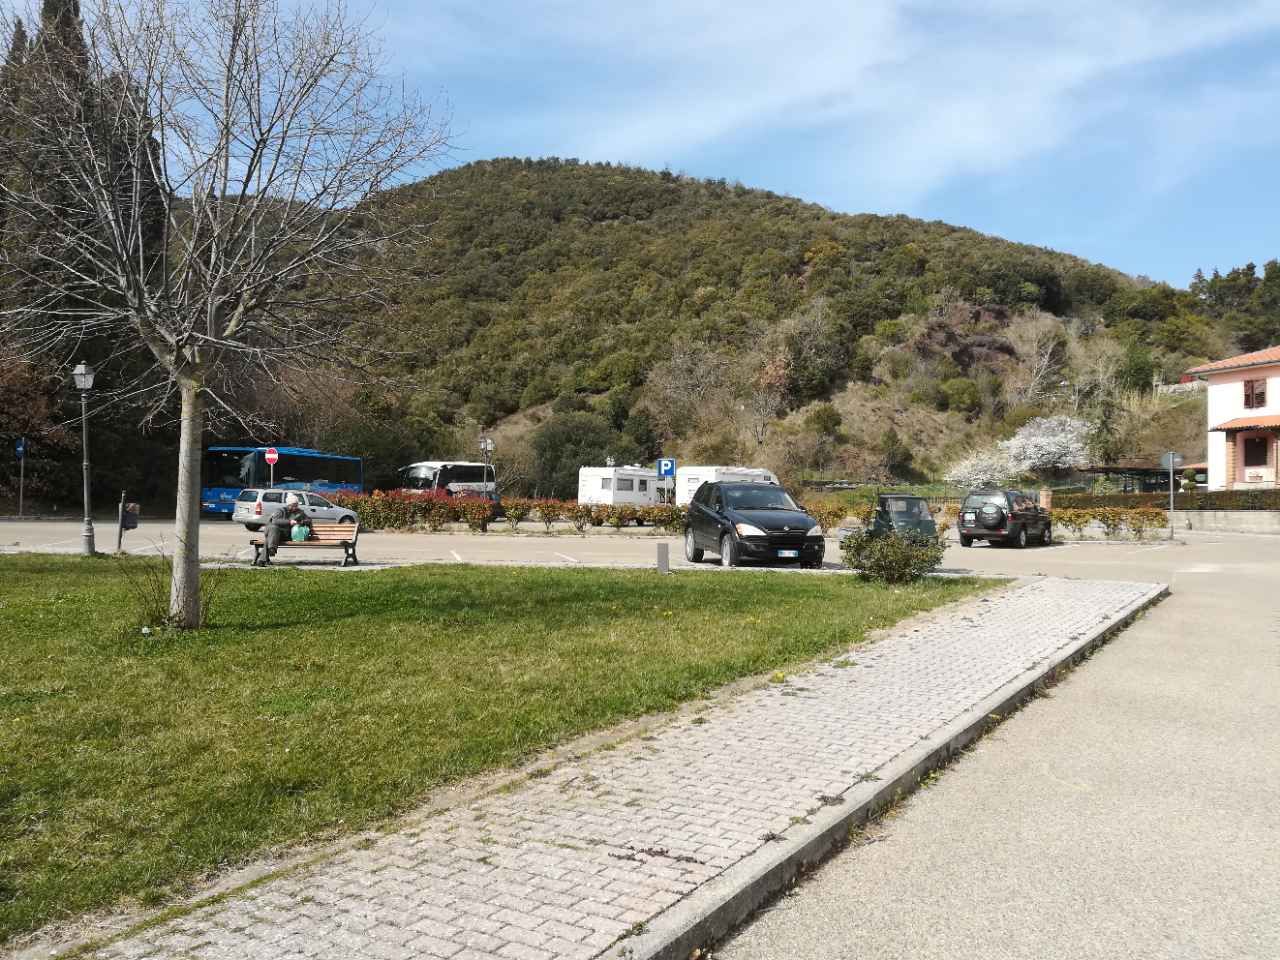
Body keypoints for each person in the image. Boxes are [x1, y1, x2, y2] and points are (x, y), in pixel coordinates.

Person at [258, 493, 311, 565]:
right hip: (274, 532)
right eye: (294, 505)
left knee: (269, 539)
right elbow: (275, 521)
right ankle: (271, 549)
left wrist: (301, 522)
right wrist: (289, 522)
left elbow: (309, 520)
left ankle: (264, 557)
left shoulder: (300, 512)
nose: (295, 507)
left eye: (296, 505)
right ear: (289, 505)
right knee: (274, 528)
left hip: (286, 535)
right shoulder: (280, 511)